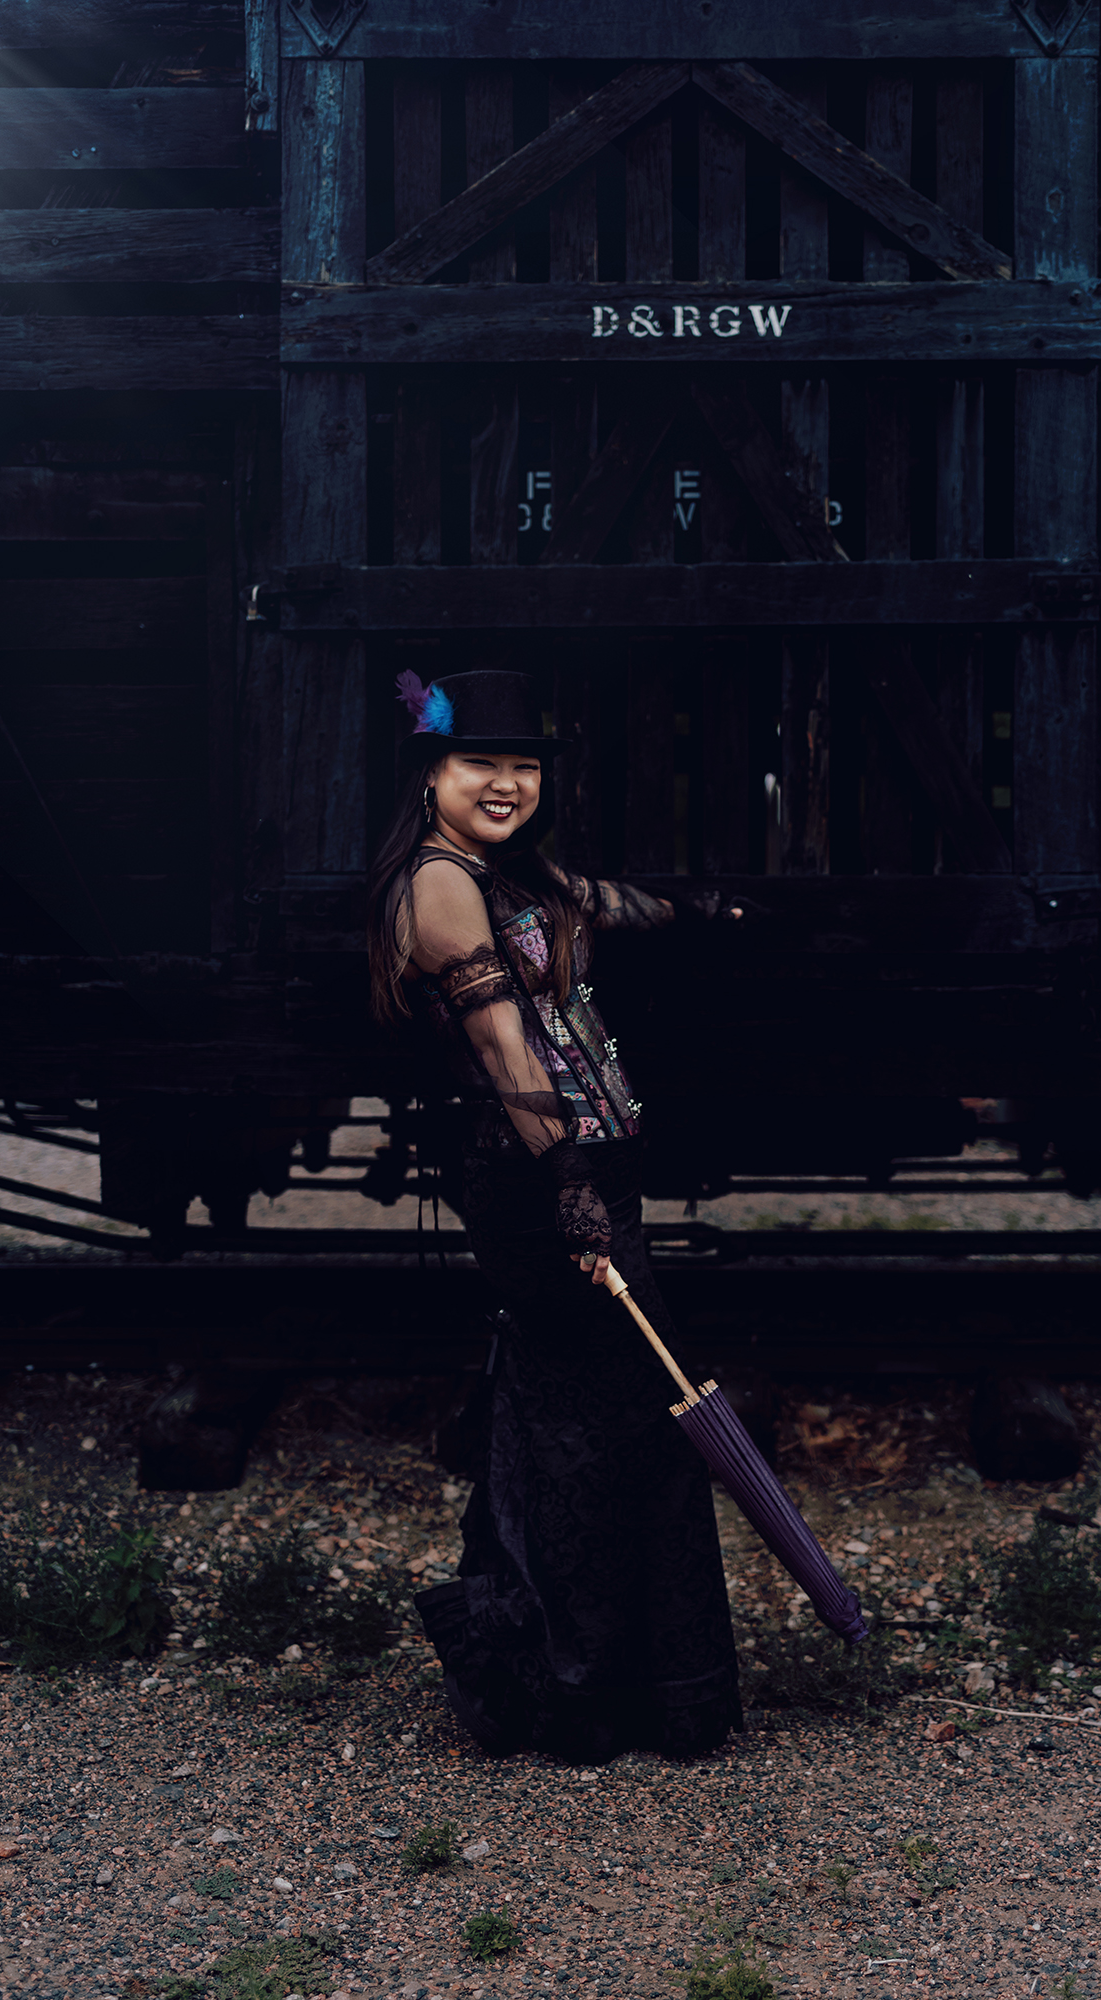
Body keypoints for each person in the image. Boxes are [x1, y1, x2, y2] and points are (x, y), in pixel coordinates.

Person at [367, 669, 743, 1764]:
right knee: (617, 1425)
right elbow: (503, 1049)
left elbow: (604, 900)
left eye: (524, 764)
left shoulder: (506, 872)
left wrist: (709, 908)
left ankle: (597, 1688)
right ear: (432, 771)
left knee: (589, 1421)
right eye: (481, 761)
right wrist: (574, 1191)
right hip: (539, 1186)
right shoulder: (437, 884)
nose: (506, 781)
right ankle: (577, 1693)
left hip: (578, 1176)